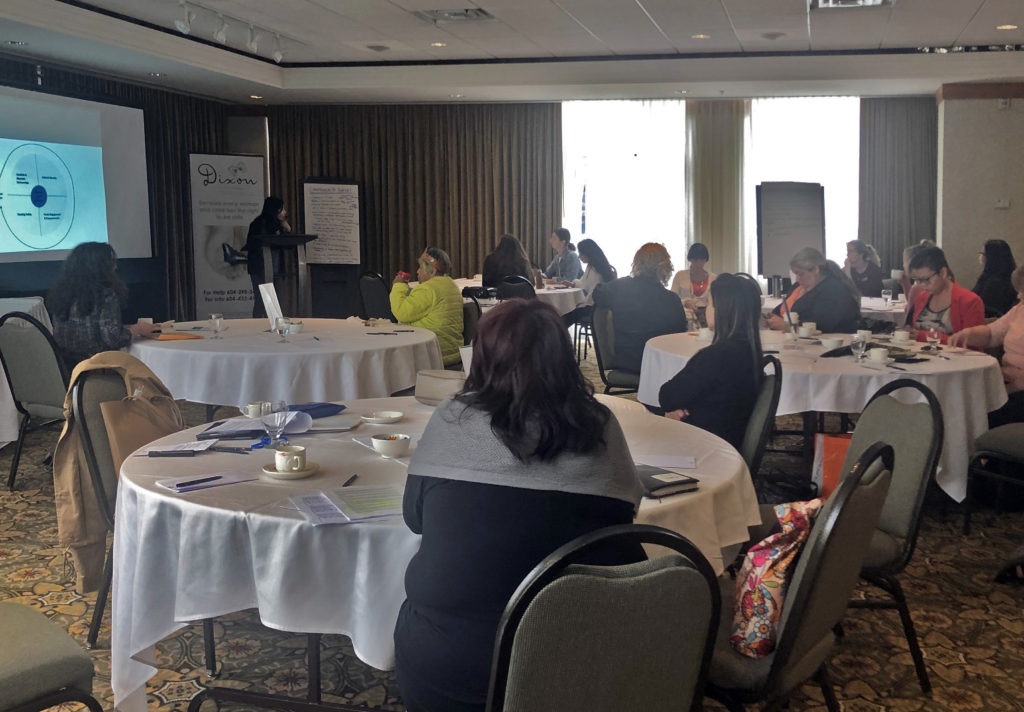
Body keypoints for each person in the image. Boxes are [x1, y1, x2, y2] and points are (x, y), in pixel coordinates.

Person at [393, 298, 644, 712]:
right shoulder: (599, 426)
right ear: (563, 359)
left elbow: (414, 518)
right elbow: (623, 518)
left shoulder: (451, 417)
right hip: (575, 662)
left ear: (483, 359)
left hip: (449, 666)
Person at [658, 273, 764, 449]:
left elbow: (667, 396)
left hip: (703, 445)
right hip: (730, 440)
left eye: (710, 303)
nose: (706, 308)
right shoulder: (751, 352)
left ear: (721, 310)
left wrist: (679, 409)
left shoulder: (714, 357)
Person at [48, 242, 159, 367]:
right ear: (101, 266)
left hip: (67, 369)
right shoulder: (105, 295)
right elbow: (113, 338)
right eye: (111, 262)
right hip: (100, 368)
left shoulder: (62, 294)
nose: (115, 267)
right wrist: (139, 329)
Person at [592, 243, 688, 372]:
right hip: (663, 363)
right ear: (665, 267)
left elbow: (597, 294)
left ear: (637, 263)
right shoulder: (672, 300)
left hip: (628, 361)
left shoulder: (619, 288)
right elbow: (679, 335)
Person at [952, 266, 1024, 427]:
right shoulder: (1019, 310)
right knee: (961, 397)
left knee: (978, 408)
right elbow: (992, 334)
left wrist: (1013, 386)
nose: (1018, 295)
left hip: (1019, 389)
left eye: (1022, 291)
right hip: (1006, 377)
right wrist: (968, 333)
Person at [391, 247, 464, 366]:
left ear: (433, 271)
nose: (417, 271)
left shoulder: (428, 289)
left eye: (420, 267)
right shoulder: (452, 285)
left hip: (432, 355)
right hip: (452, 353)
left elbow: (401, 313)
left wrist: (399, 286)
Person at [766, 247, 860, 334]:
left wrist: (787, 326)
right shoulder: (798, 286)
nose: (797, 279)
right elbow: (781, 309)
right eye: (795, 274)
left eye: (800, 274)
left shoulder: (834, 290)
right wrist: (772, 318)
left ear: (815, 269)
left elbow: (822, 324)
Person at [907, 245, 984, 344]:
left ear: (943, 273)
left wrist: (924, 336)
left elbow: (972, 344)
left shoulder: (969, 301)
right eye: (917, 280)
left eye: (926, 279)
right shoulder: (922, 298)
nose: (922, 285)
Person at [244, 196, 292, 318]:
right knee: (261, 301)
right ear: (274, 210)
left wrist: (287, 229)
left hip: (275, 269)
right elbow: (254, 244)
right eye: (282, 209)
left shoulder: (279, 225)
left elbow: (288, 244)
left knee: (276, 300)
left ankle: (275, 325)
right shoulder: (258, 224)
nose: (285, 212)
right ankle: (257, 327)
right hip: (260, 269)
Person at [561, 237, 615, 327]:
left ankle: (559, 337)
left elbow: (592, 296)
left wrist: (578, 304)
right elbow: (584, 283)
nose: (579, 256)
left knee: (564, 314)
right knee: (565, 313)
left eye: (581, 253)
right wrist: (572, 284)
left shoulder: (597, 271)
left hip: (594, 309)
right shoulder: (591, 266)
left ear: (588, 254)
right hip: (592, 305)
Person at [670, 243, 717, 325]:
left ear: (706, 260)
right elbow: (672, 299)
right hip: (685, 317)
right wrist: (685, 302)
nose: (699, 263)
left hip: (707, 317)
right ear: (690, 259)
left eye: (702, 260)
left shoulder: (714, 278)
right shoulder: (680, 275)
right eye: (695, 260)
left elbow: (717, 302)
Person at [973, 239, 1018, 318]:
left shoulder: (996, 283)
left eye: (982, 254)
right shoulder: (998, 277)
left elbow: (984, 308)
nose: (980, 257)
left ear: (991, 257)